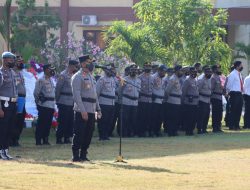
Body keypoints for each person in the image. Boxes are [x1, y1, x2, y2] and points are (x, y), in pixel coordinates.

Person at [71, 55, 101, 162]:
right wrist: (82, 110)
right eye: (89, 62)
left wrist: (98, 109)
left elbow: (95, 95)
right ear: (83, 63)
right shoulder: (77, 77)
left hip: (91, 109)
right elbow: (76, 96)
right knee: (79, 133)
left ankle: (84, 154)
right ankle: (75, 155)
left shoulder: (91, 77)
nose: (91, 64)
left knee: (88, 134)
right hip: (82, 110)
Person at [55, 60, 79, 144]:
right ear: (71, 66)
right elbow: (58, 89)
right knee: (62, 121)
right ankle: (59, 137)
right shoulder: (63, 75)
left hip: (72, 102)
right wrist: (57, 100)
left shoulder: (75, 75)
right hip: (64, 101)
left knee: (70, 121)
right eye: (75, 66)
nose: (76, 68)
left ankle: (67, 137)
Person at [0, 52, 17, 160]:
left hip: (12, 103)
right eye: (11, 60)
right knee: (3, 128)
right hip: (4, 104)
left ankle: (6, 150)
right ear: (5, 60)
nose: (12, 62)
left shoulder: (12, 72)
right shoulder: (1, 73)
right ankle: (0, 151)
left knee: (9, 128)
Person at [34, 64, 56, 145]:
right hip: (43, 105)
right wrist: (38, 103)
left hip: (51, 105)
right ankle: (38, 140)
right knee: (41, 123)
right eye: (50, 69)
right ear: (46, 70)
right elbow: (36, 93)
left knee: (48, 123)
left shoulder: (51, 80)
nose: (52, 71)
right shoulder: (41, 80)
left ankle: (45, 139)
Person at [120, 64, 141, 137]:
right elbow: (120, 90)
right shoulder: (125, 79)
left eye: (135, 70)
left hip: (135, 102)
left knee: (133, 119)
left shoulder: (139, 80)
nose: (134, 71)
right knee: (125, 118)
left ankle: (131, 133)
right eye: (132, 70)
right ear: (129, 71)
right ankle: (124, 134)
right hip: (126, 101)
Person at [10, 55, 26, 147]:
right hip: (16, 98)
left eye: (21, 61)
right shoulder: (12, 72)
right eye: (19, 61)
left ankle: (16, 138)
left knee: (20, 119)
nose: (21, 63)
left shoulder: (20, 73)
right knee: (15, 119)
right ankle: (12, 140)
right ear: (14, 62)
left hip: (22, 98)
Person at [96, 64, 116, 140]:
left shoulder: (113, 79)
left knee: (109, 120)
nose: (112, 71)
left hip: (112, 103)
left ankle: (106, 135)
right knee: (102, 120)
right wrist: (97, 106)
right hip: (103, 103)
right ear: (106, 70)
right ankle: (102, 136)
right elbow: (97, 93)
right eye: (110, 70)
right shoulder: (102, 79)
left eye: (113, 70)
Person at [165, 65, 183, 136]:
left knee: (176, 117)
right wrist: (167, 99)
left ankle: (174, 131)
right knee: (172, 117)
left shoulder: (177, 78)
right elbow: (167, 90)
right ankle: (171, 131)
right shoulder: (172, 78)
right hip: (172, 100)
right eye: (180, 70)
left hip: (177, 100)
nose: (182, 72)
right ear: (177, 71)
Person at [150, 64, 167, 137]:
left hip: (161, 100)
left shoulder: (164, 78)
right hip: (155, 100)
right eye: (163, 71)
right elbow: (150, 88)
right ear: (159, 70)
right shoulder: (153, 77)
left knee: (160, 117)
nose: (164, 73)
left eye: (165, 72)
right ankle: (152, 131)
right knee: (154, 117)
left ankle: (158, 130)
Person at [226, 61, 244, 130]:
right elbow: (229, 85)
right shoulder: (232, 74)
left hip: (239, 94)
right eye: (241, 65)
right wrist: (228, 92)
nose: (242, 67)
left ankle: (237, 125)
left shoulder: (239, 74)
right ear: (237, 66)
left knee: (239, 110)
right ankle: (231, 125)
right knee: (233, 110)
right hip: (234, 93)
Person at [182, 67, 199, 135]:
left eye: (195, 72)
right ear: (190, 72)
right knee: (189, 117)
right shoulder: (187, 80)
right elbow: (183, 92)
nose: (194, 73)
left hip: (195, 101)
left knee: (194, 118)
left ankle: (191, 130)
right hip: (189, 102)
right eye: (193, 72)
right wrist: (182, 101)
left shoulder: (195, 80)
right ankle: (188, 131)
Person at [137, 63, 153, 137]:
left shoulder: (152, 77)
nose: (148, 68)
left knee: (148, 117)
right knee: (141, 117)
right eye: (147, 66)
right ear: (144, 67)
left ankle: (147, 131)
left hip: (150, 100)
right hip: (142, 99)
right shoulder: (140, 77)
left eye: (149, 66)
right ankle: (140, 132)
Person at [197, 67, 212, 134]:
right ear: (205, 72)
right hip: (202, 99)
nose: (209, 73)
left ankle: (204, 128)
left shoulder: (209, 79)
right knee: (201, 115)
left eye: (210, 72)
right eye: (208, 72)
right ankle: (199, 129)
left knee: (207, 115)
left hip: (208, 100)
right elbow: (198, 90)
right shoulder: (201, 79)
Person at [211, 64, 223, 133]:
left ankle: (218, 127)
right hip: (215, 97)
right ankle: (215, 127)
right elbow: (212, 89)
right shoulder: (213, 77)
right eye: (218, 68)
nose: (219, 69)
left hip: (219, 97)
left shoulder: (218, 77)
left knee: (219, 113)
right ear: (215, 69)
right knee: (215, 113)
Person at [162, 67, 174, 133]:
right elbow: (164, 89)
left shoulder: (173, 79)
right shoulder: (165, 79)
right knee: (166, 115)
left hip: (171, 99)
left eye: (172, 72)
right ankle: (166, 128)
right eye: (170, 72)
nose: (171, 73)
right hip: (165, 99)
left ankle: (168, 127)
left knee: (170, 115)